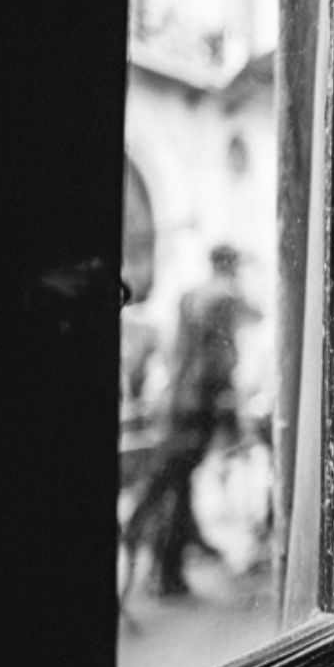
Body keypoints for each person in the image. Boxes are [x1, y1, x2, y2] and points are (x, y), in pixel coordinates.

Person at [124, 243, 261, 596]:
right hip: (199, 403)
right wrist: (225, 398)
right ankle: (163, 567)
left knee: (174, 481)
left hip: (178, 399)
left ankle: (161, 562)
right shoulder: (223, 297)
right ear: (230, 265)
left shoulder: (190, 295)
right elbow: (220, 355)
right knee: (175, 483)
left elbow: (177, 352)